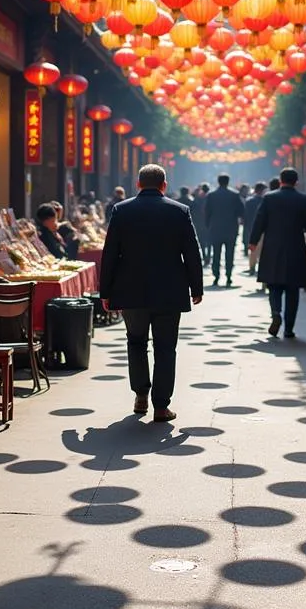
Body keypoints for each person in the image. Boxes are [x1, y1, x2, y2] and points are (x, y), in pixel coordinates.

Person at [99, 164, 203, 422]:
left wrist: (105, 291)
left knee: (136, 343)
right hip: (170, 290)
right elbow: (191, 252)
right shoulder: (179, 211)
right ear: (164, 185)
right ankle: (161, 406)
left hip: (131, 290)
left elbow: (110, 253)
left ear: (137, 184)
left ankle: (141, 395)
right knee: (166, 348)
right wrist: (196, 287)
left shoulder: (121, 210)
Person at [249, 167, 306, 339]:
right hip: (296, 248)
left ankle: (276, 313)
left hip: (273, 248)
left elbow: (260, 221)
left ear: (280, 181)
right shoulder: (303, 199)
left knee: (273, 286)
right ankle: (289, 329)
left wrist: (253, 241)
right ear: (296, 182)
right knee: (293, 290)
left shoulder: (269, 198)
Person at [205, 173, 244, 287]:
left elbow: (207, 212)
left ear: (218, 182)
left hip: (215, 228)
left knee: (216, 253)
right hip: (231, 228)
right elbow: (241, 211)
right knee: (229, 254)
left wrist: (208, 226)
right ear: (228, 181)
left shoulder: (211, 195)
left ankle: (216, 276)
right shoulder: (234, 195)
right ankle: (228, 276)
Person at [243, 182, 267, 271]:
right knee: (262, 250)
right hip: (263, 229)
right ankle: (262, 267)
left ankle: (252, 267)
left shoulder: (249, 201)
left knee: (253, 249)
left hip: (251, 228)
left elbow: (245, 216)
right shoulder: (265, 201)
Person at [190, 183, 212, 271]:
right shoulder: (210, 198)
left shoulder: (197, 199)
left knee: (202, 242)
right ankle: (208, 257)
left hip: (199, 224)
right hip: (209, 224)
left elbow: (193, 212)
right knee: (209, 242)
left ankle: (205, 257)